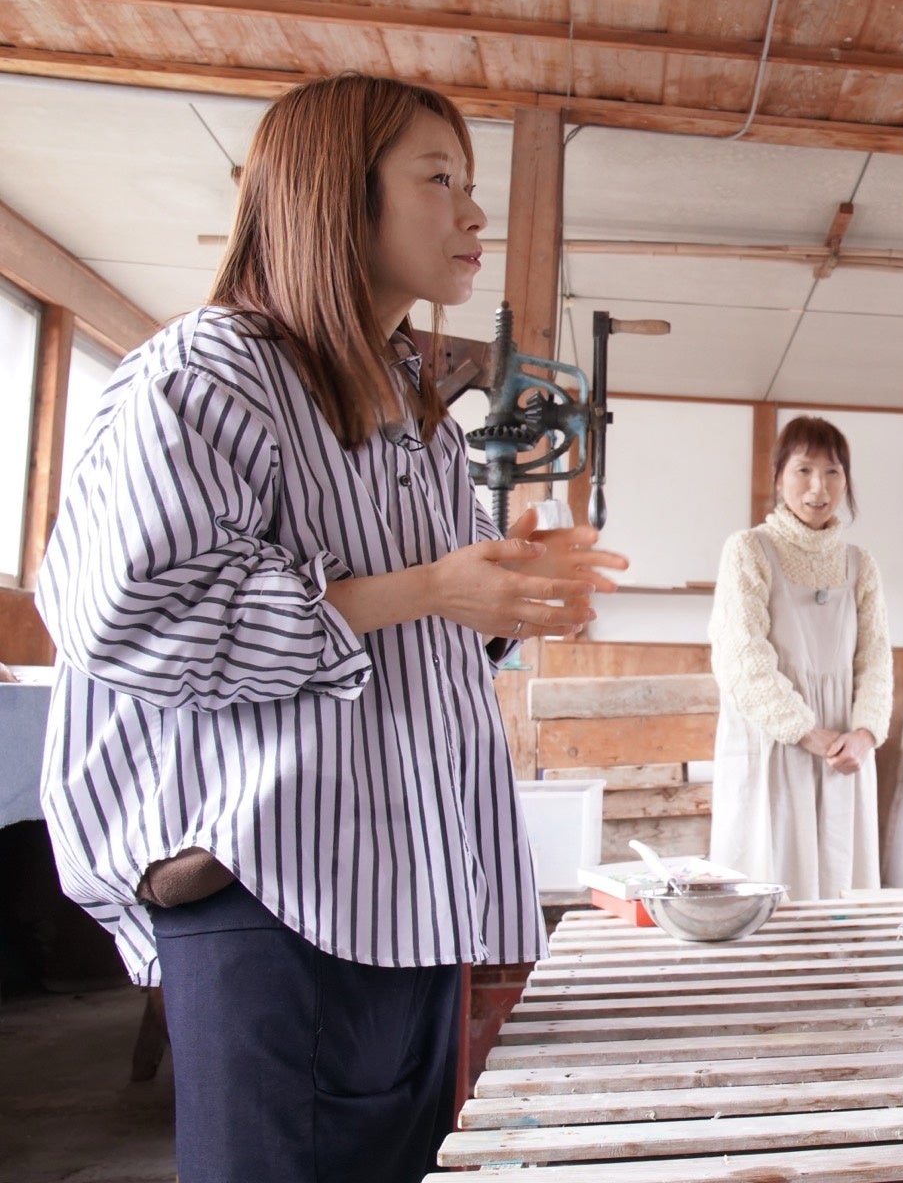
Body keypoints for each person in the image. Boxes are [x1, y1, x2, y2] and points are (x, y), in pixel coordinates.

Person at [36, 74, 627, 1183]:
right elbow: (134, 610)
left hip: (414, 890)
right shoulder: (207, 370)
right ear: (335, 196)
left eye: (471, 184)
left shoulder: (417, 420)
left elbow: (437, 617)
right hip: (276, 894)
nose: (474, 213)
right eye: (438, 179)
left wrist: (509, 592)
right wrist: (432, 588)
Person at [708, 416, 892, 900]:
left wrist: (864, 735)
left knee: (840, 889)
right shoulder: (749, 549)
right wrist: (808, 733)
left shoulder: (861, 564)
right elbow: (741, 657)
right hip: (776, 744)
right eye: (804, 470)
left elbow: (876, 660)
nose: (818, 488)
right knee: (768, 887)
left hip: (844, 756)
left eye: (832, 472)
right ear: (778, 477)